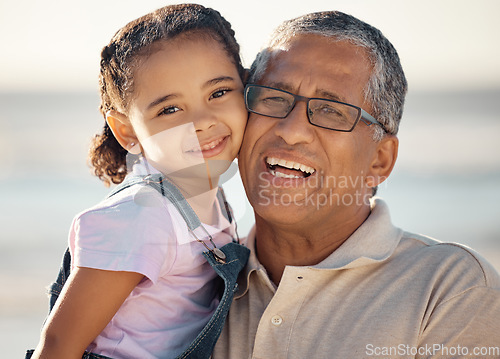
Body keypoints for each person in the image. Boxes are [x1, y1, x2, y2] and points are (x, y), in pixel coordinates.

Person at [213, 11, 500, 358]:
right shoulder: (193, 283)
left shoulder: (449, 289)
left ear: (380, 159)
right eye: (273, 98)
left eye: (332, 110)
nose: (291, 130)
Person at [30, 4, 249, 359]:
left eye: (219, 92)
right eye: (170, 110)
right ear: (127, 131)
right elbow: (57, 347)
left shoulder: (213, 198)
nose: (202, 120)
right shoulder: (142, 217)